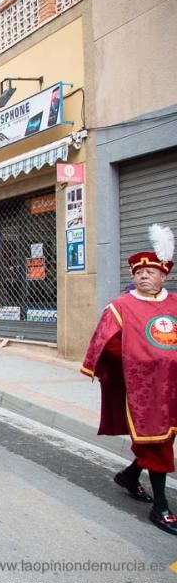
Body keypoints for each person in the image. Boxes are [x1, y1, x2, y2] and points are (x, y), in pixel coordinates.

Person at [81, 226, 177, 536]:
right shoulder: (121, 307)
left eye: (150, 271)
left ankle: (129, 475)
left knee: (165, 438)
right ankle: (160, 506)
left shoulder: (174, 303)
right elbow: (106, 344)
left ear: (164, 275)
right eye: (139, 272)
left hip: (173, 383)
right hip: (143, 389)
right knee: (157, 441)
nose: (144, 276)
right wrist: (145, 359)